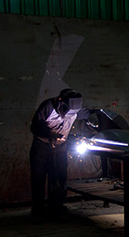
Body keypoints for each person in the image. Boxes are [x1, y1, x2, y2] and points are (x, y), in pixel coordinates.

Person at [30, 88, 89, 220]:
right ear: (60, 101)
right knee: (39, 177)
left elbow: (88, 116)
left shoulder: (76, 108)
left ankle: (56, 207)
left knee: (59, 177)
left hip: (61, 147)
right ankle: (38, 210)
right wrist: (50, 134)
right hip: (42, 146)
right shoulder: (47, 107)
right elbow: (34, 127)